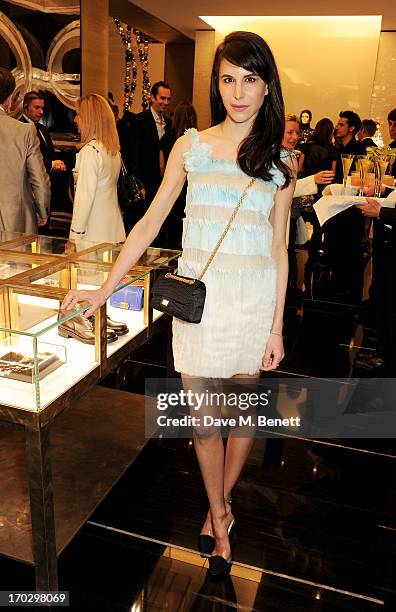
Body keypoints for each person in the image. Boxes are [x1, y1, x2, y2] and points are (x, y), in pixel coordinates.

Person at [61, 31, 296, 577]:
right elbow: (147, 223)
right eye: (228, 80)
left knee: (241, 417)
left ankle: (222, 506)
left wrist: (276, 328)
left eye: (250, 79)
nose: (238, 92)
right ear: (217, 85)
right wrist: (105, 289)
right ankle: (218, 512)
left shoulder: (278, 162)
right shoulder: (191, 146)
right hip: (199, 304)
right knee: (203, 423)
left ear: (267, 87)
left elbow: (278, 248)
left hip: (253, 302)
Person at [69, 94, 125, 244]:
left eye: (78, 115)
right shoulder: (113, 151)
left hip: (92, 235)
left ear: (89, 119)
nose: (75, 120)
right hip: (114, 230)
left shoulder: (90, 151)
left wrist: (74, 238)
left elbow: (84, 198)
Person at [0, 68, 49, 232]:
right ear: (10, 98)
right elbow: (39, 181)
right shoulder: (24, 131)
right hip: (15, 222)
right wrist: (43, 210)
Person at [126, 81, 172, 221]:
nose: (165, 102)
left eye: (168, 99)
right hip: (144, 186)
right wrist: (138, 185)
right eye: (162, 98)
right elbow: (131, 156)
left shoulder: (169, 124)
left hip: (161, 184)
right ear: (152, 97)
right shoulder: (139, 121)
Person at [159, 100, 198, 248]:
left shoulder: (167, 138)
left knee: (170, 232)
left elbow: (161, 166)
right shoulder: (197, 141)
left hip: (171, 189)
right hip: (189, 192)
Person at [20, 91, 66, 175]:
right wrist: (52, 165)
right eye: (37, 107)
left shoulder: (42, 128)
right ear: (25, 107)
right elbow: (25, 160)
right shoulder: (19, 127)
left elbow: (50, 154)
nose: (41, 112)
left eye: (42, 108)